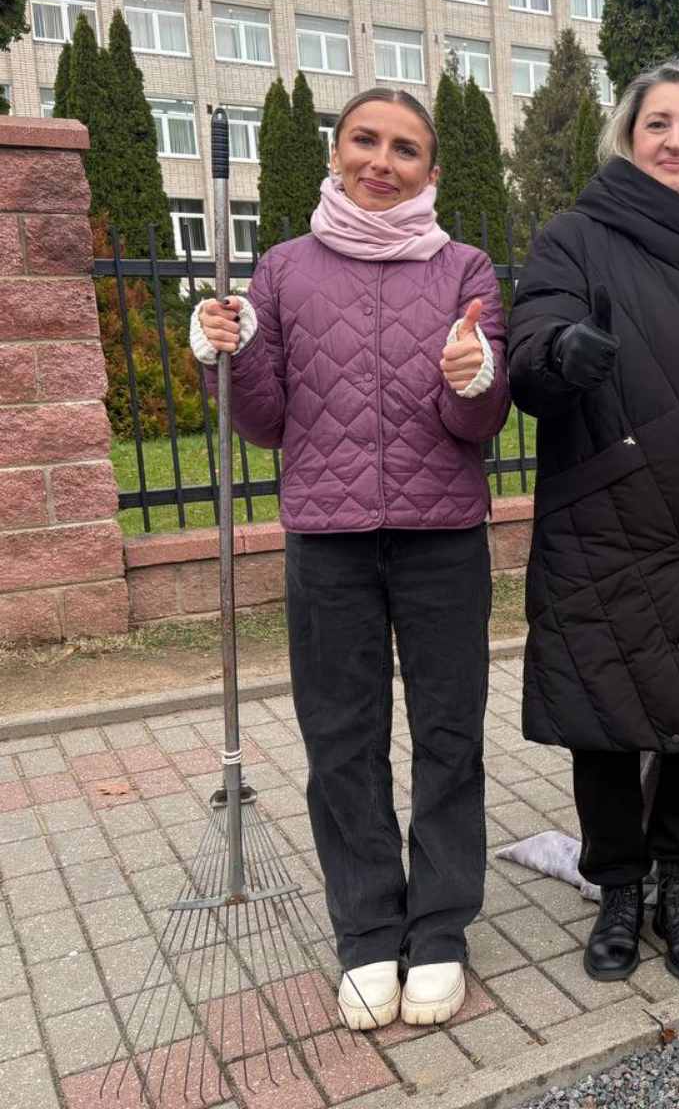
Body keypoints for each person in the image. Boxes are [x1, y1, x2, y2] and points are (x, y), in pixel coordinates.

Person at [190, 88, 510, 1030]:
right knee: (341, 739)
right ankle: (369, 930)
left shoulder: (464, 268)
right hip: (327, 541)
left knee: (448, 735)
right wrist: (229, 353)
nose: (382, 161)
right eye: (365, 141)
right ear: (336, 154)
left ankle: (440, 928)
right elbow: (264, 422)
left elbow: (477, 425)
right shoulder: (284, 270)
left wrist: (474, 379)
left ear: (431, 171)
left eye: (405, 149)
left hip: (442, 539)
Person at [506, 59, 679, 985]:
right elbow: (529, 346)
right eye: (658, 123)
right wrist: (561, 351)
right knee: (605, 720)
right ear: (628, 137)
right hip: (605, 523)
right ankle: (619, 888)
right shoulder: (577, 236)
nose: (676, 140)